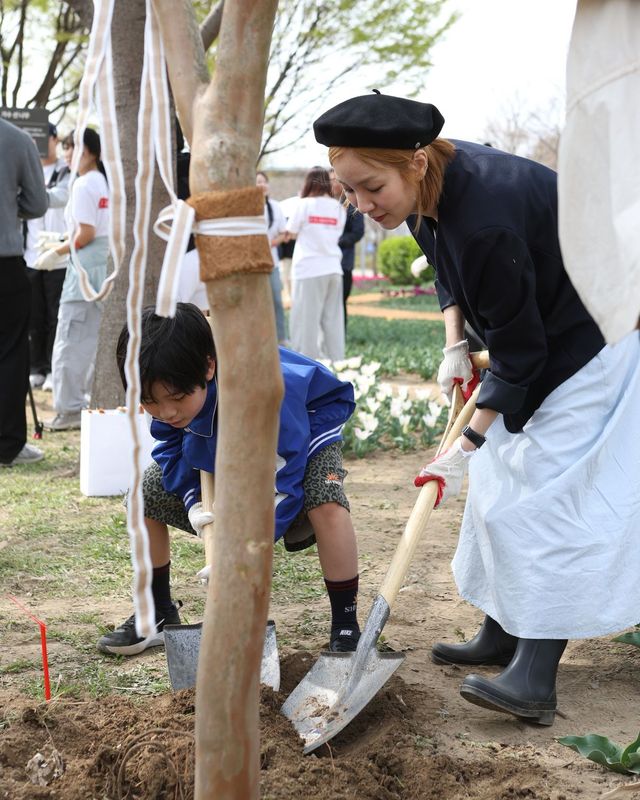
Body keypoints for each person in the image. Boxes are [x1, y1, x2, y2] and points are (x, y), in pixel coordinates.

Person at [313, 91, 640, 726]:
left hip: (595, 338)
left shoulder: (485, 214)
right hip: (539, 334)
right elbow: (446, 271)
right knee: (496, 487)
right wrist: (455, 344)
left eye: (370, 187)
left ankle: (535, 677)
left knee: (548, 497)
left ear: (412, 161)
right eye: (349, 192)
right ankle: (502, 631)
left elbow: (523, 354)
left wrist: (465, 445)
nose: (362, 205)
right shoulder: (424, 193)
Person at [97, 303, 361, 656]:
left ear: (209, 366)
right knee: (144, 494)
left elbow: (283, 474)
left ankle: (346, 623)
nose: (166, 411)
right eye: (150, 401)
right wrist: (193, 501)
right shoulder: (167, 399)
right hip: (222, 431)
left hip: (303, 427)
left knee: (323, 500)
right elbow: (171, 446)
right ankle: (156, 613)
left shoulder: (260, 388)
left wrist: (245, 550)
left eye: (175, 398)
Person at [36, 128, 110, 431]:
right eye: (66, 147)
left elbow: (87, 233)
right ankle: (81, 404)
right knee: (88, 342)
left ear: (90, 151)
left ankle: (68, 410)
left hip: (82, 273)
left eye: (73, 147)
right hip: (99, 270)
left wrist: (58, 250)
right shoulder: (101, 180)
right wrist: (59, 240)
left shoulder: (82, 184)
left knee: (68, 341)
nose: (68, 153)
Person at [0, 117, 48, 467]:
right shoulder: (17, 140)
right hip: (5, 258)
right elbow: (37, 205)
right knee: (12, 351)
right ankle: (7, 443)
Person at [25, 122, 70, 392]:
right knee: (34, 316)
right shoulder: (26, 168)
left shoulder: (66, 169)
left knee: (56, 316)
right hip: (31, 254)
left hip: (58, 256)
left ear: (54, 139)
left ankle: (54, 369)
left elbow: (60, 197)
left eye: (44, 139)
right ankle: (36, 367)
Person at [286, 166, 346, 361]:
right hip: (333, 269)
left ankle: (306, 366)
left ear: (308, 183)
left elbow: (291, 230)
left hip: (309, 269)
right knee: (333, 322)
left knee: (305, 324)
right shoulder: (338, 207)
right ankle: (338, 364)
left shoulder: (304, 205)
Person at [329, 168, 365, 328]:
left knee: (340, 301)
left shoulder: (351, 204)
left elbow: (358, 232)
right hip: (325, 262)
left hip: (344, 262)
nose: (332, 183)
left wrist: (337, 241)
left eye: (335, 179)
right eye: (329, 179)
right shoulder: (323, 204)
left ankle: (340, 335)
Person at [256, 171, 288, 344]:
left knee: (276, 300)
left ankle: (281, 339)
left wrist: (272, 242)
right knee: (257, 303)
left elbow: (284, 234)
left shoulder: (276, 207)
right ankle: (261, 339)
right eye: (257, 182)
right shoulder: (248, 206)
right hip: (253, 265)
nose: (261, 185)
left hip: (272, 262)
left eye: (264, 182)